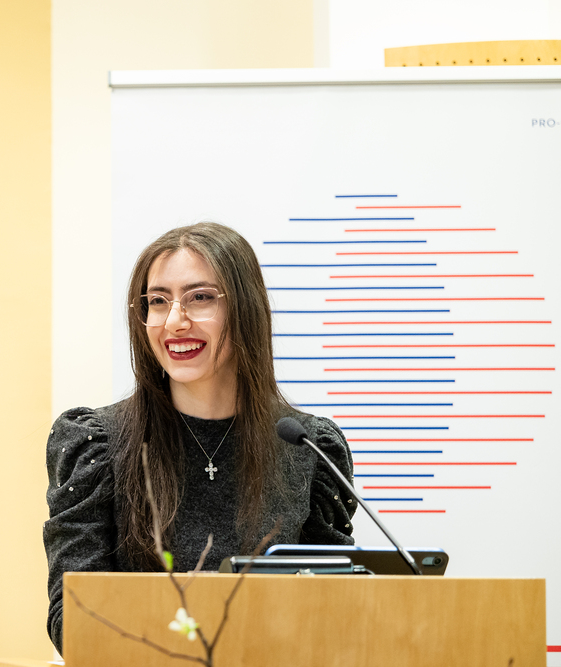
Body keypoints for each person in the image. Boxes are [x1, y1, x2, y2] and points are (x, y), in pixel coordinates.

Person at [43, 222, 358, 655]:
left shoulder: (309, 448)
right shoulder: (94, 445)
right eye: (158, 301)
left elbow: (337, 610)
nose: (175, 321)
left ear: (245, 309)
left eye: (200, 297)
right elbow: (74, 620)